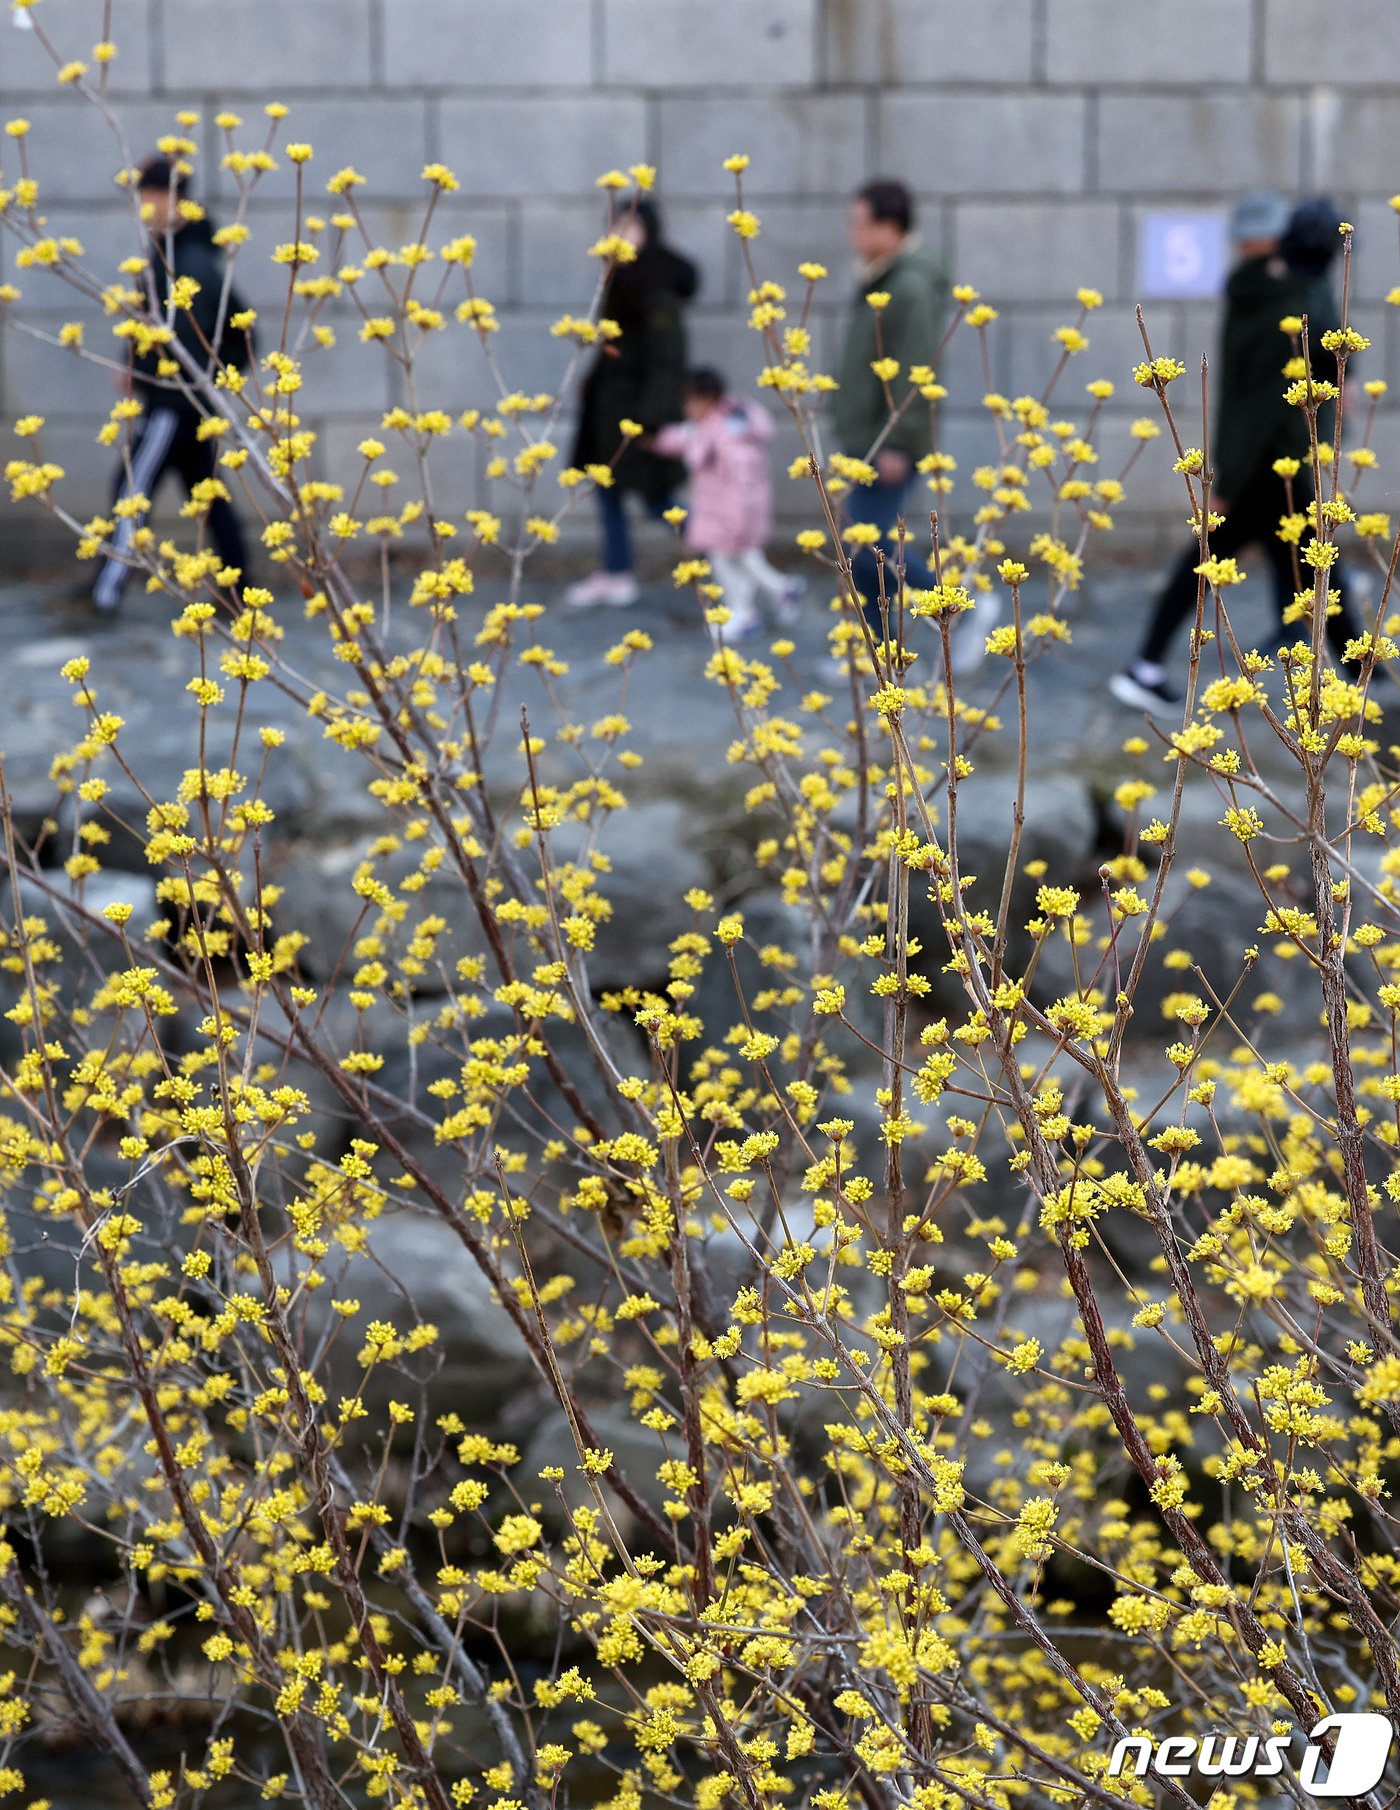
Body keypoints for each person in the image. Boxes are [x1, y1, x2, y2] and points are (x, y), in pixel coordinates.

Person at [1110, 191, 1365, 713]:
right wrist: (1224, 485)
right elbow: (1259, 404)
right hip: (1273, 466)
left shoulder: (1266, 288)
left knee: (1307, 569)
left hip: (1276, 462)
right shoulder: (1293, 302)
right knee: (1268, 566)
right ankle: (1363, 677)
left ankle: (1359, 675)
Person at [93, 154, 250, 613]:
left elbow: (185, 332)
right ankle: (239, 591)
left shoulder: (187, 259)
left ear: (168, 197)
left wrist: (146, 373)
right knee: (210, 499)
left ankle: (105, 590)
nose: (141, 205)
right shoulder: (178, 251)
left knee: (129, 492)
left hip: (172, 403)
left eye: (146, 195)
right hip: (191, 403)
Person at [566, 197, 698, 608]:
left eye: (628, 226)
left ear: (648, 231)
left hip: (636, 416)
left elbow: (667, 359)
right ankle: (617, 572)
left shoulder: (653, 284)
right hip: (609, 413)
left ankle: (727, 548)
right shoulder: (622, 278)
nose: (617, 235)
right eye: (613, 225)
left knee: (658, 498)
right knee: (607, 492)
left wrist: (652, 420)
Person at [831, 178, 949, 637]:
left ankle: (954, 605)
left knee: (868, 542)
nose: (852, 234)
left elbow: (917, 369)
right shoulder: (884, 278)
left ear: (890, 228)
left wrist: (897, 441)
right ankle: (880, 649)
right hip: (869, 437)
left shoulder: (910, 286)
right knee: (862, 547)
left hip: (889, 442)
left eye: (859, 224)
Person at [652, 367, 803, 639]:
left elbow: (741, 482)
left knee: (728, 562)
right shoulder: (726, 420)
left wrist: (738, 519)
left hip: (731, 514)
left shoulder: (726, 434)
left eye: (689, 400)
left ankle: (744, 612)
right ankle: (780, 591)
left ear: (707, 398)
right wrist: (656, 440)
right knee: (745, 558)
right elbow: (687, 437)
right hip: (728, 512)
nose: (686, 407)